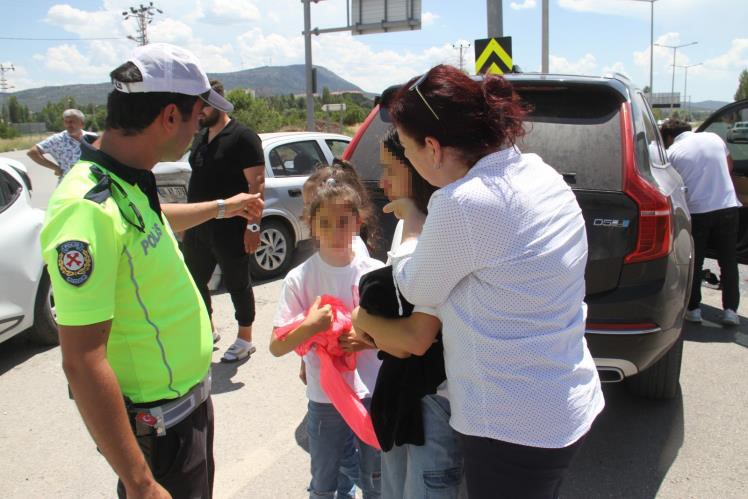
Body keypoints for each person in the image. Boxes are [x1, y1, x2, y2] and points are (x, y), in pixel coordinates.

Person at [39, 43, 263, 498]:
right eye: (198, 118)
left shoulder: (125, 177)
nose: (197, 131)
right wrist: (140, 483)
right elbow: (82, 360)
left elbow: (156, 224)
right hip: (159, 433)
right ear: (168, 117)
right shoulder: (87, 209)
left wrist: (225, 207)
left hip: (186, 410)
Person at [373, 65, 604, 498]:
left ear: (433, 147)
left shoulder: (465, 203)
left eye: (408, 150)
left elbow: (416, 287)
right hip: (564, 400)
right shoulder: (538, 172)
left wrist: (412, 228)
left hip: (513, 423)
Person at [351, 127, 464, 499]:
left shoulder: (434, 229)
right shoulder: (407, 224)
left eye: (390, 169)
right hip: (402, 399)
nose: (381, 180)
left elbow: (410, 341)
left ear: (415, 168)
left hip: (433, 404)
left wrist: (362, 321)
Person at [269, 165, 383, 499]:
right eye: (326, 223)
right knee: (325, 482)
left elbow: (397, 338)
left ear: (357, 223)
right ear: (312, 226)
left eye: (344, 222)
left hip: (372, 393)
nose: (335, 231)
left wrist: (366, 339)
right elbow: (276, 345)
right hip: (326, 398)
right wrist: (311, 326)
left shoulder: (375, 273)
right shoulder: (300, 278)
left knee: (376, 481)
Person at [182, 79, 266, 362]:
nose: (201, 112)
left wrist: (253, 226)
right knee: (194, 281)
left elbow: (257, 184)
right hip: (198, 227)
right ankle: (208, 329)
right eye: (198, 108)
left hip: (231, 227)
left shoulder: (243, 137)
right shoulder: (201, 137)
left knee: (237, 283)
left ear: (218, 103)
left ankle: (245, 338)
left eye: (205, 106)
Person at [660, 118, 741, 326]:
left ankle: (694, 309)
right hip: (728, 206)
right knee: (729, 261)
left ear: (669, 137)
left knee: (695, 261)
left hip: (697, 211)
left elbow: (670, 185)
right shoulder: (714, 139)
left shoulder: (672, 153)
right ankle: (731, 311)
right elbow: (729, 166)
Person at [27, 108, 97, 179]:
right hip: (67, 184)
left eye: (72, 122)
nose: (69, 125)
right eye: (66, 122)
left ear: (82, 124)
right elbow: (32, 152)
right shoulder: (57, 139)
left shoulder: (93, 138)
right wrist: (56, 168)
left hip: (91, 183)